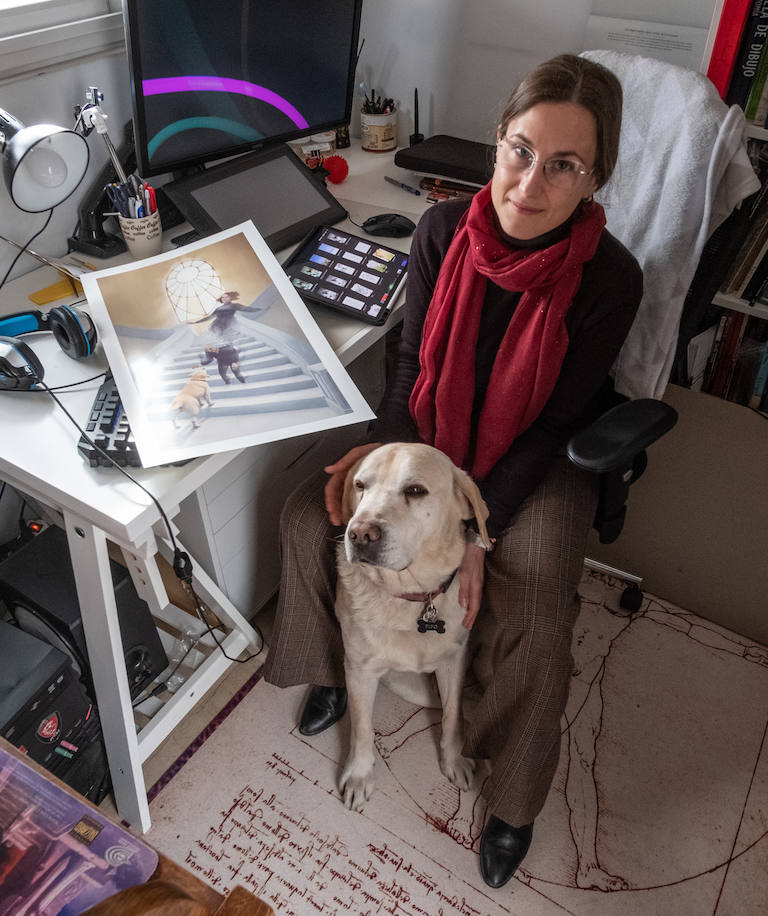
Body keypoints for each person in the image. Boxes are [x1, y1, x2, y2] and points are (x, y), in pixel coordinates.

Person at [262, 53, 642, 889]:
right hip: (429, 433)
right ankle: (334, 669)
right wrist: (386, 462)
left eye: (564, 165)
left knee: (534, 600)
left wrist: (474, 529)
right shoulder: (441, 232)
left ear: (595, 177)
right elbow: (406, 369)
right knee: (307, 517)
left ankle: (511, 797)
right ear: (496, 144)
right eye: (519, 150)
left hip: (534, 457)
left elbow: (553, 421)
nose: (529, 183)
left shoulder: (611, 278)